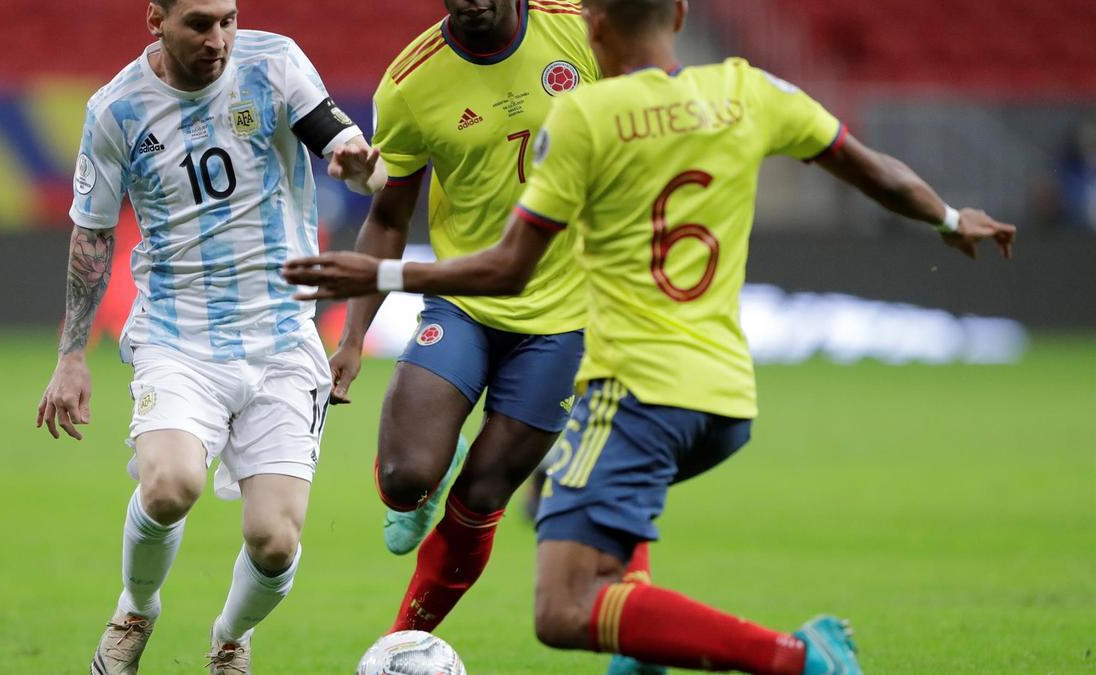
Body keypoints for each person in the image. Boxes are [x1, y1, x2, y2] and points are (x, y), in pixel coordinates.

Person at [282, 0, 1017, 672]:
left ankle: (794, 656)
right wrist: (951, 220)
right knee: (512, 499)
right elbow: (870, 169)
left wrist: (377, 279)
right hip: (715, 391)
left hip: (606, 361)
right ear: (682, 14)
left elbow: (509, 267)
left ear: (595, 27)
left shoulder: (587, 117)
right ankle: (651, 652)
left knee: (549, 570)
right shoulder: (747, 91)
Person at [34, 1, 385, 673]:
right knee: (170, 484)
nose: (219, 39)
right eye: (199, 23)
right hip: (179, 335)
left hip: (283, 335)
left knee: (275, 540)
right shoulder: (118, 110)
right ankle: (136, 609)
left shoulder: (274, 63)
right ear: (155, 21)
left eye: (227, 18)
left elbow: (341, 141)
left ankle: (229, 639)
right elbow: (92, 233)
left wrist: (361, 165)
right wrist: (71, 354)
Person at [328, 0, 601, 634]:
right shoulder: (410, 83)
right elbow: (389, 218)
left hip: (566, 318)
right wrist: (351, 338)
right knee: (404, 479)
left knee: (482, 497)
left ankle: (403, 644)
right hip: (465, 301)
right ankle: (431, 464)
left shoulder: (578, 28)